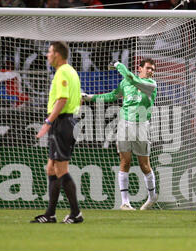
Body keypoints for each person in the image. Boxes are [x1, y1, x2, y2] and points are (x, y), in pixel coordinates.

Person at [82, 59, 158, 211]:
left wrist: (117, 64)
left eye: (153, 69)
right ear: (140, 68)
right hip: (124, 125)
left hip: (142, 126)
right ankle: (125, 203)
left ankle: (152, 196)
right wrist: (90, 97)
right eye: (148, 68)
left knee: (144, 165)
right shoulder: (126, 83)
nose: (150, 71)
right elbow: (112, 95)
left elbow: (131, 78)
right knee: (125, 162)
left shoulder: (151, 85)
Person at [31, 41, 83, 224]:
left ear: (58, 54)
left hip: (62, 122)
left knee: (61, 170)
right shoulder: (72, 72)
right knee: (51, 168)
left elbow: (62, 99)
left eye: (50, 52)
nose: (47, 55)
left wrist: (48, 122)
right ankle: (50, 214)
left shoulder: (62, 72)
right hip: (68, 121)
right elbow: (80, 98)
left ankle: (76, 213)